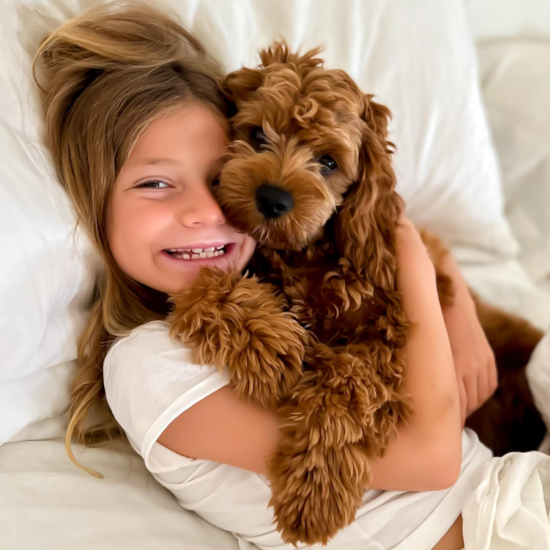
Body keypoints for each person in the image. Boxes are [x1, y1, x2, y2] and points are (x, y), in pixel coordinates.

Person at [34, 4, 517, 550]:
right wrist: (417, 267)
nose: (208, 211)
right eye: (154, 185)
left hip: (510, 493)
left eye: (219, 178)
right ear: (94, 205)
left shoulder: (274, 267)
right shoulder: (147, 365)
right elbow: (433, 460)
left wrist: (453, 297)